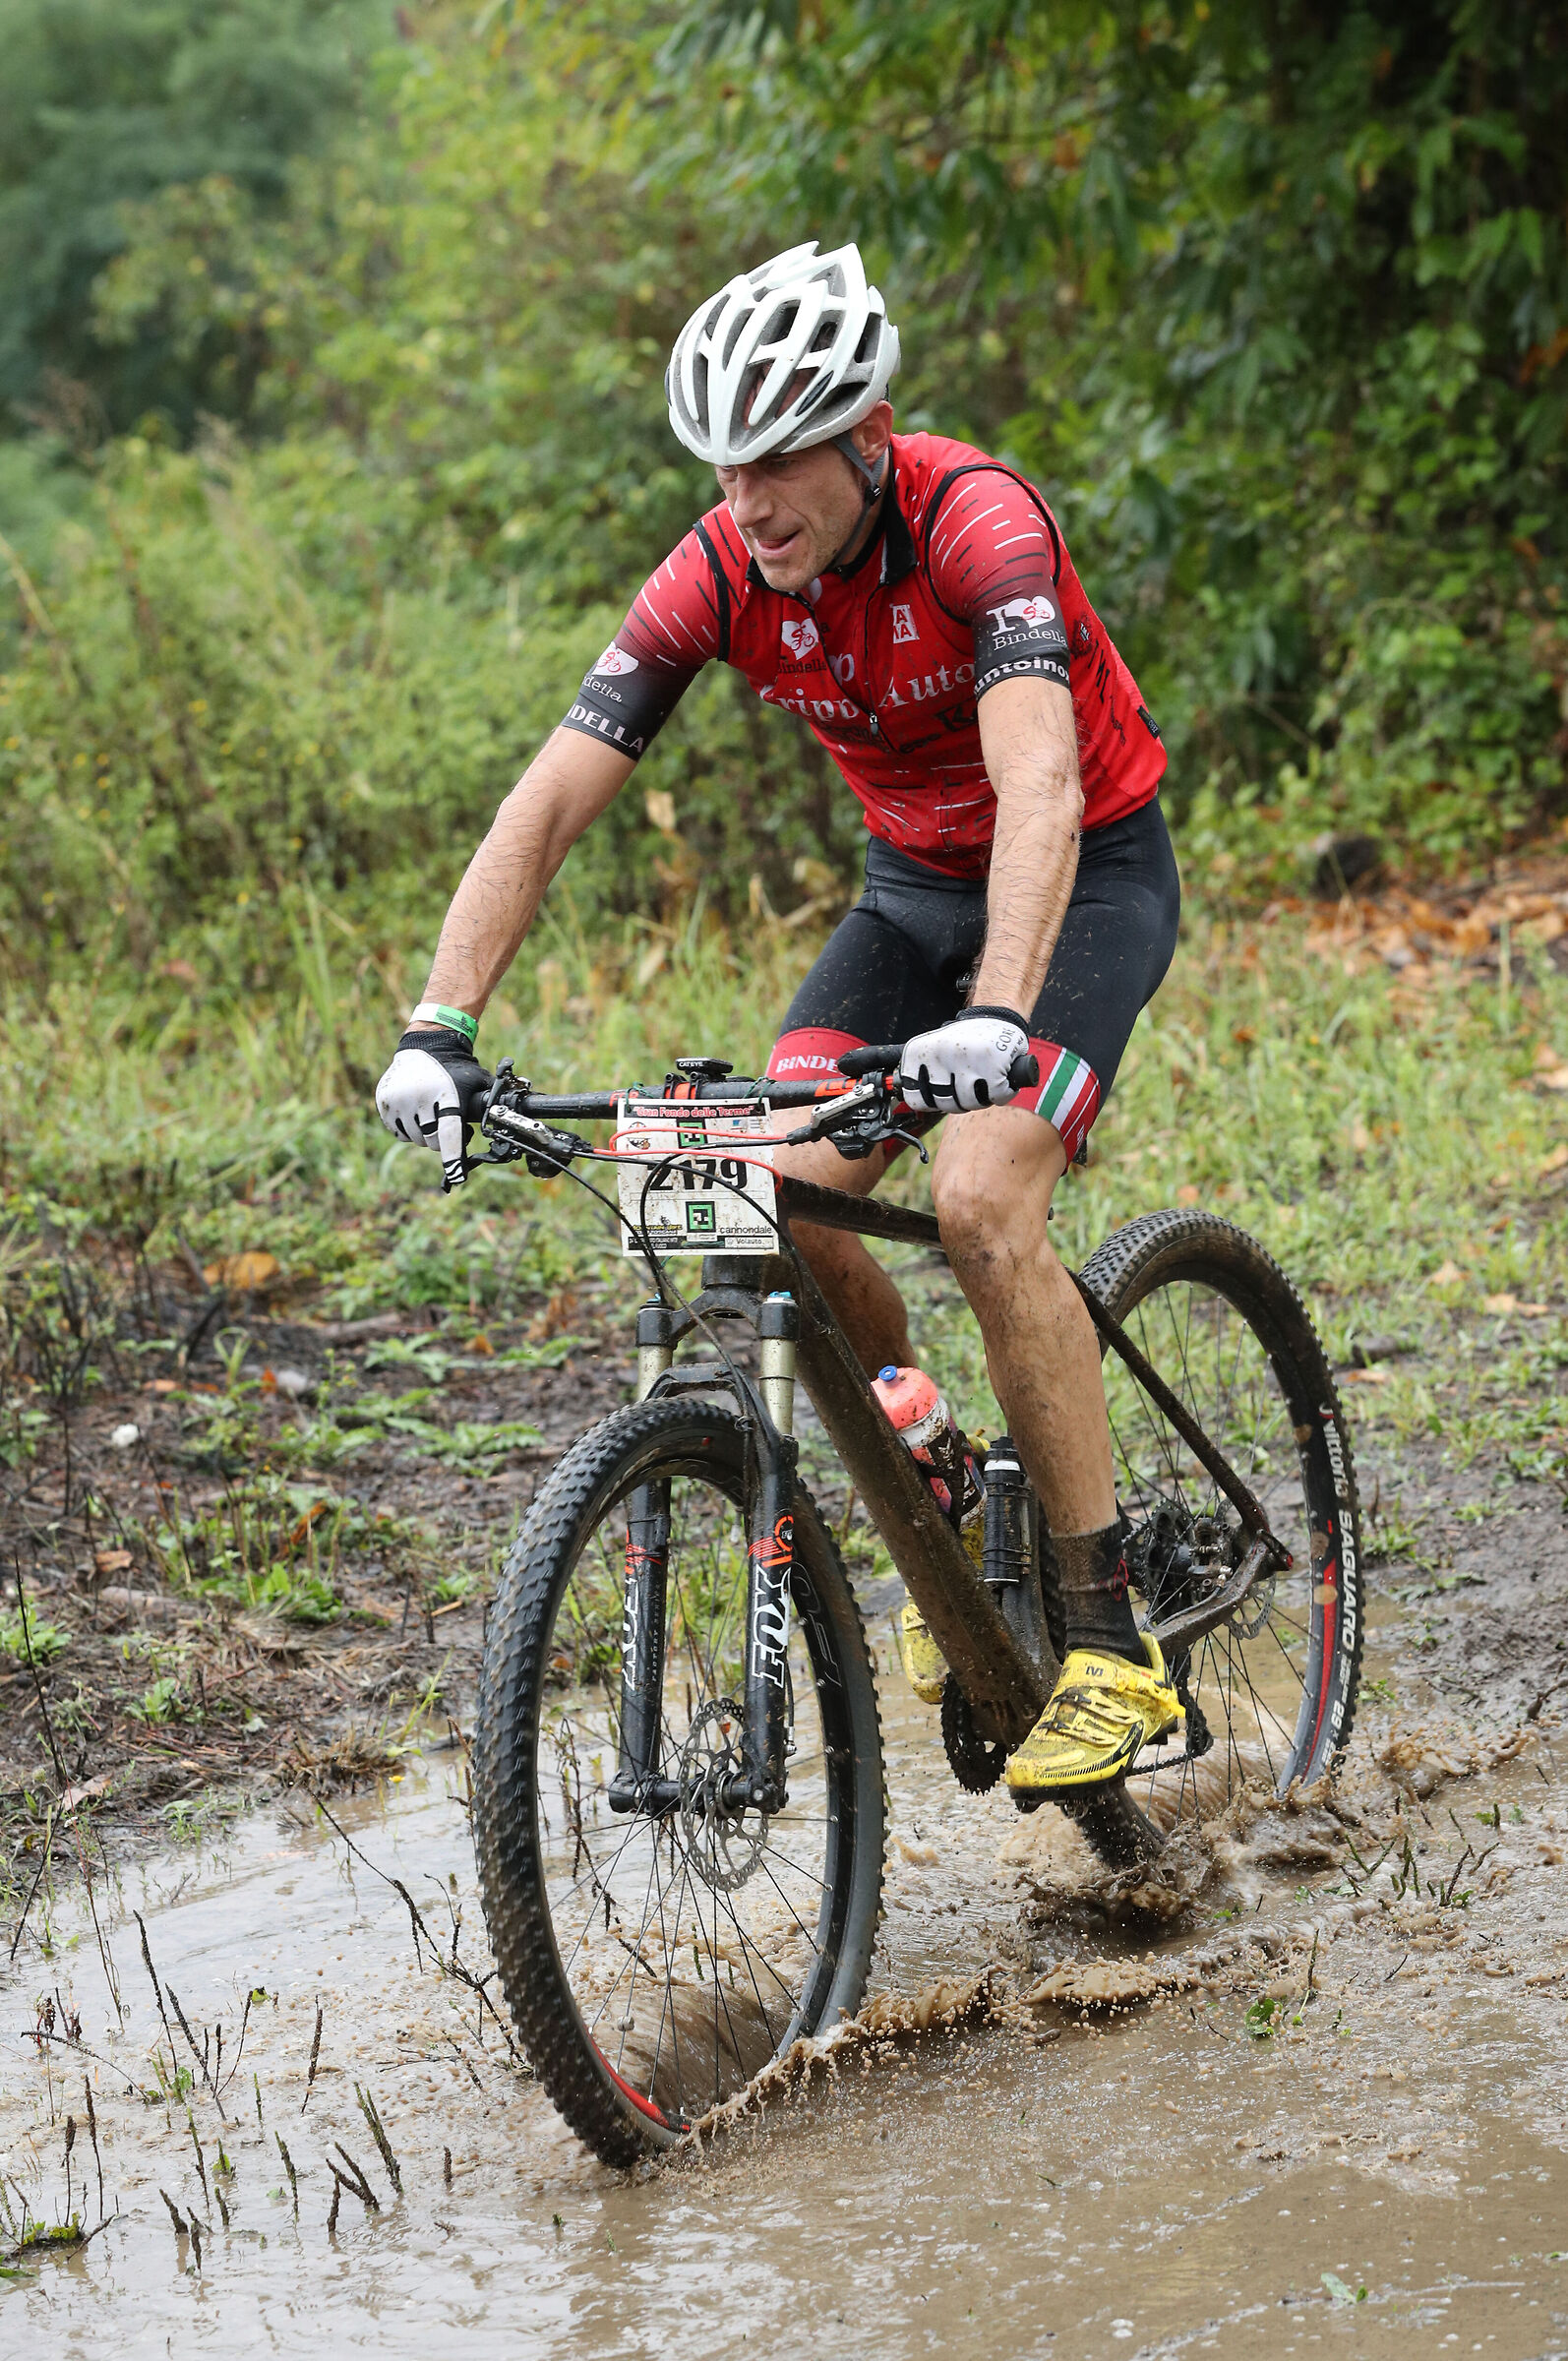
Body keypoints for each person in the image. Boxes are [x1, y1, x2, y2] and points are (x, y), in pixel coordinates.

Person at [376, 240, 1183, 1797]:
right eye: (725, 469)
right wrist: (437, 1022)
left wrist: (1000, 1015)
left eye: (779, 464)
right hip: (905, 898)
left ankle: (1107, 1640)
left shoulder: (976, 522)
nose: (749, 505)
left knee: (977, 1200)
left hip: (1077, 881)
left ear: (869, 437)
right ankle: (944, 1490)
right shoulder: (721, 569)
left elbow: (1039, 783)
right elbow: (549, 799)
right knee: (778, 1199)